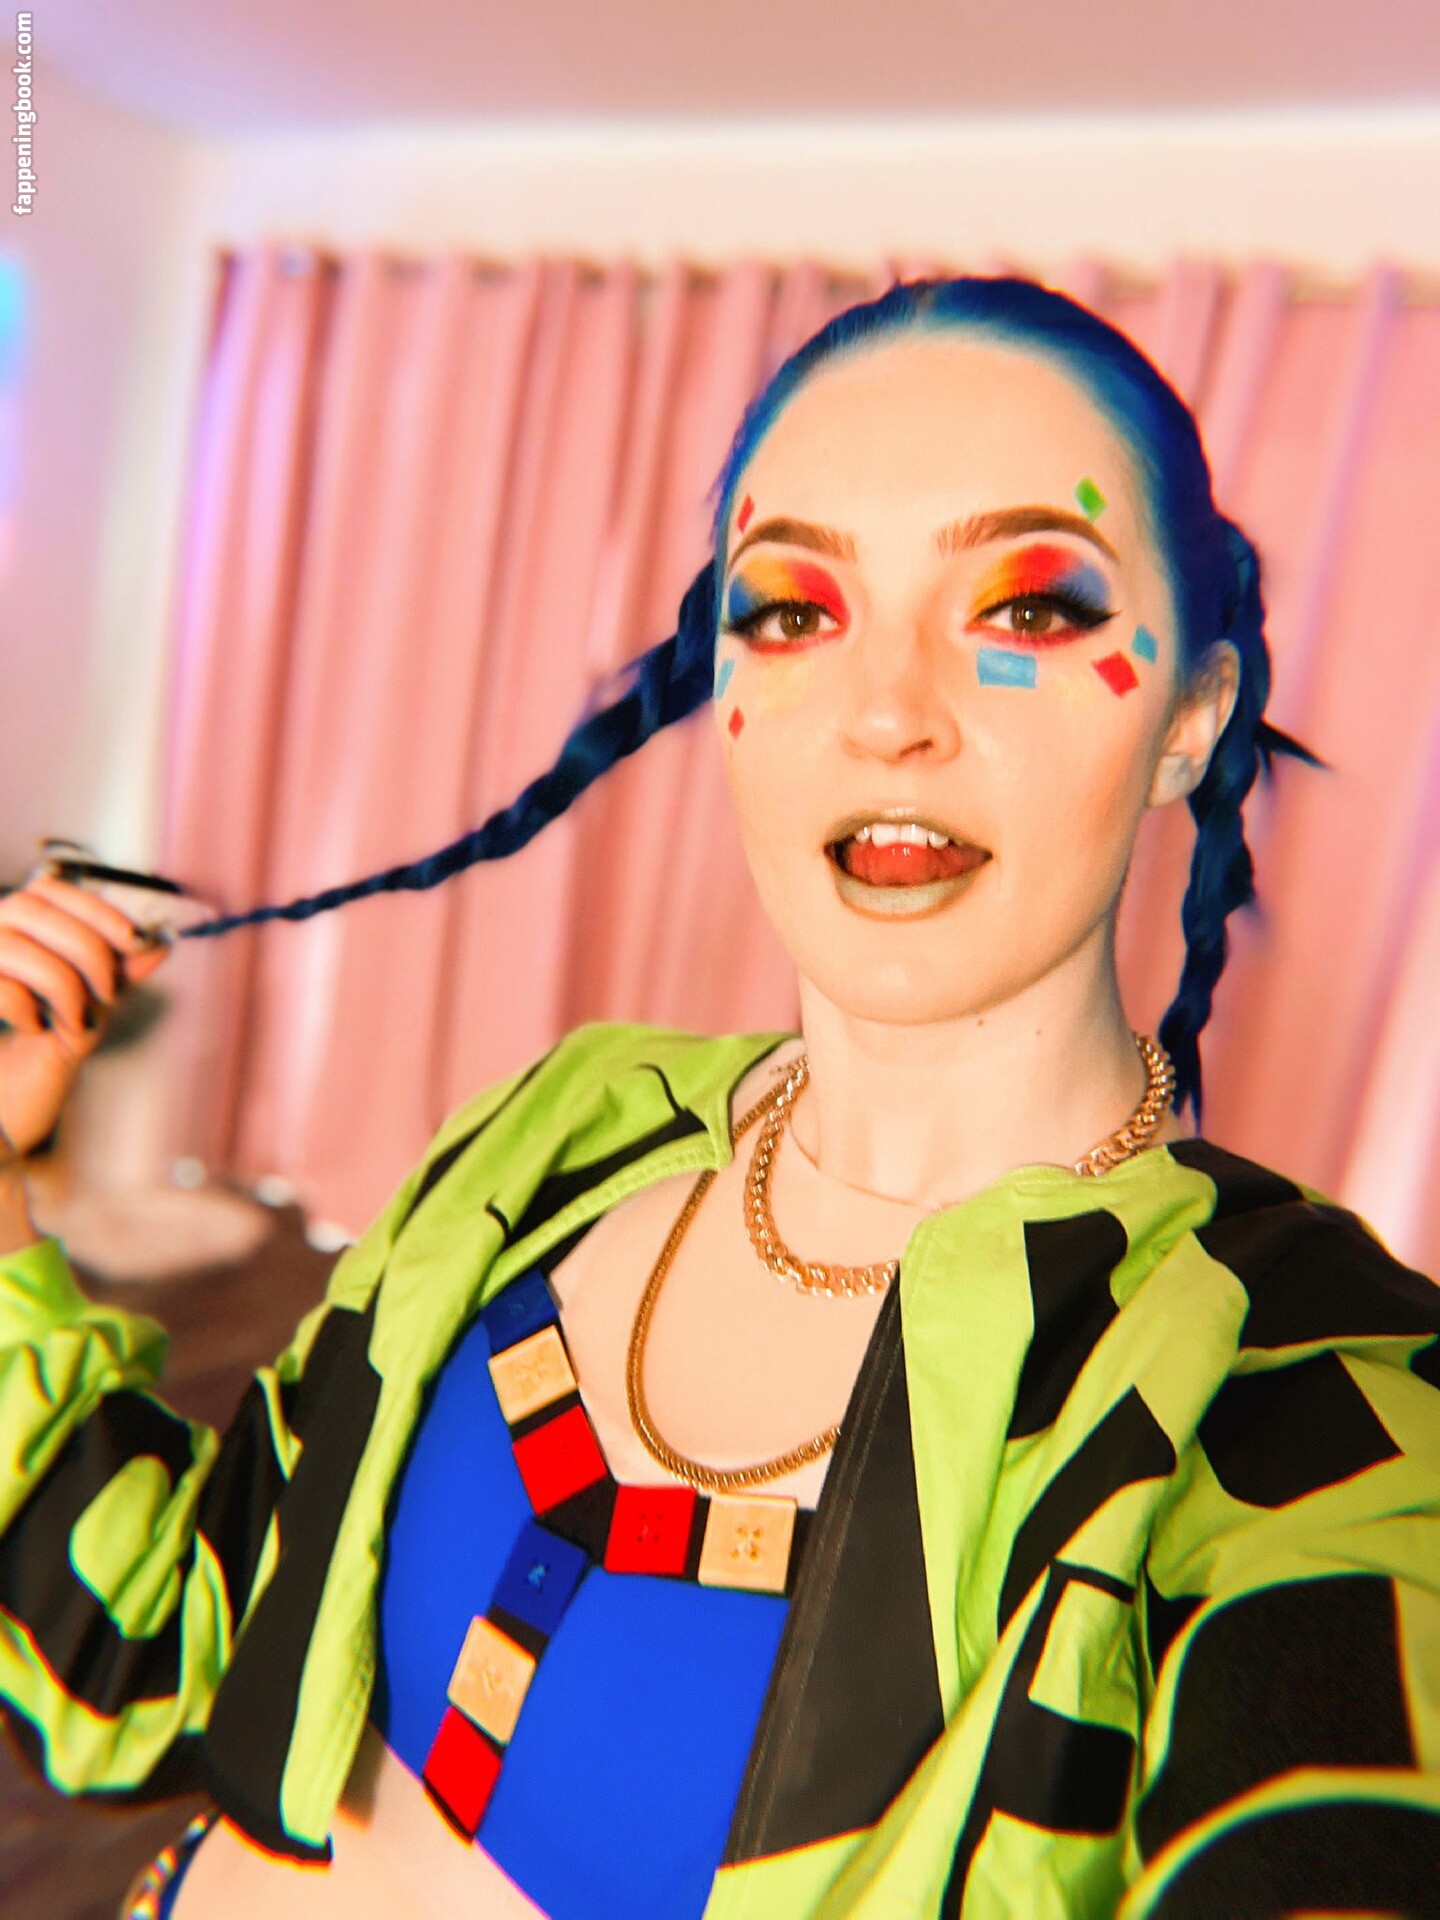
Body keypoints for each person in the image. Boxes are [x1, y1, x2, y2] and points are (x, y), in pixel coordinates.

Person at [1, 277, 1436, 1920]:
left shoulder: (1305, 1390)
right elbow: (158, 1641)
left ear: (1192, 717)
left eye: (1030, 607)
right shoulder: (561, 1134)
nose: (885, 714)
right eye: (795, 612)